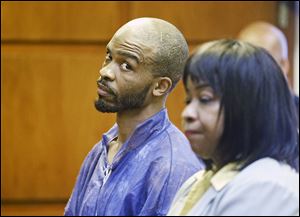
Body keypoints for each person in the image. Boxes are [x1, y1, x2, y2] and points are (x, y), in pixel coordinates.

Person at [64, 17, 204, 216]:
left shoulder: (172, 167)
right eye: (109, 57)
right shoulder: (103, 148)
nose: (105, 72)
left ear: (160, 86)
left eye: (126, 66)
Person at [167, 39, 299, 216]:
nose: (187, 113)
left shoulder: (266, 185)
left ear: (249, 106)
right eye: (188, 100)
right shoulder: (197, 181)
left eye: (205, 99)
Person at [238, 21, 299, 114]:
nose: (251, 70)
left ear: (283, 66)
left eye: (261, 62)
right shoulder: (229, 112)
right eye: (244, 62)